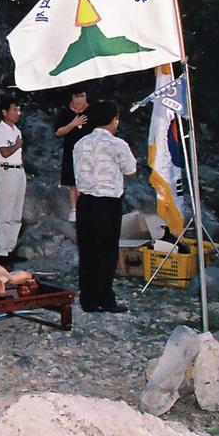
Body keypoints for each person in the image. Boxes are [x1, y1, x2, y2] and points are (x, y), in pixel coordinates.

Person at [72, 99, 137, 313]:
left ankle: (88, 300)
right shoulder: (118, 144)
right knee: (107, 252)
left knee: (87, 251)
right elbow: (131, 170)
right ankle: (105, 299)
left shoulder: (80, 144)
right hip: (108, 202)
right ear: (113, 120)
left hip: (85, 201)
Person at [0, 99, 28, 268]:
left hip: (18, 170)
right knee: (5, 213)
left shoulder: (16, 130)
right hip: (6, 171)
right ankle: (1, 252)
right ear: (5, 112)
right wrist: (17, 145)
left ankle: (10, 249)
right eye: (14, 109)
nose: (17, 113)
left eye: (18, 109)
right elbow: (4, 152)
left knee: (16, 213)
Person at [55, 87, 93, 223]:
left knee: (87, 181)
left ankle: (87, 209)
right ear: (72, 97)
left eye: (82, 96)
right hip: (71, 151)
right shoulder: (65, 112)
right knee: (73, 182)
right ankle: (75, 209)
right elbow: (58, 132)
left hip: (88, 152)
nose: (80, 100)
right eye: (77, 97)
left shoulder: (92, 111)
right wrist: (73, 124)